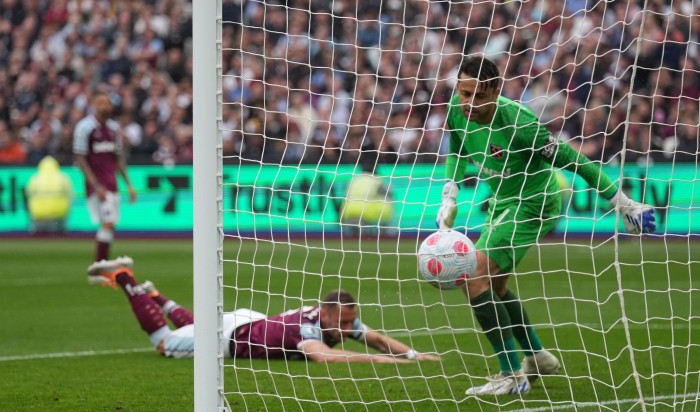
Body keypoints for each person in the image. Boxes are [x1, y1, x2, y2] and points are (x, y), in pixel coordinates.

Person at [435, 56, 656, 396]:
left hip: (535, 203)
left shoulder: (520, 123)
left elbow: (575, 161)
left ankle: (511, 374)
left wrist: (623, 203)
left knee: (473, 275)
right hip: (502, 203)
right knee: (491, 286)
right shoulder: (457, 108)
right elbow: (457, 148)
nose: (469, 103)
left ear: (495, 90)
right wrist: (450, 192)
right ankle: (536, 356)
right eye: (464, 94)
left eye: (478, 96)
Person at [87, 257, 440, 363]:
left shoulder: (332, 318)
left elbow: (375, 337)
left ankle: (157, 295)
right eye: (345, 323)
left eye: (351, 322)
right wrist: (382, 361)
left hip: (250, 321)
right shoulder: (308, 330)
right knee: (164, 342)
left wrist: (412, 354)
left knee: (195, 323)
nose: (350, 329)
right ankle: (126, 278)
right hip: (231, 336)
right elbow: (323, 357)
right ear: (328, 312)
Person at [73, 93, 137, 261]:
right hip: (97, 185)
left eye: (108, 103)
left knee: (111, 224)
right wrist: (95, 185)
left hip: (112, 183)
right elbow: (80, 158)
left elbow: (119, 158)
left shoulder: (114, 128)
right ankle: (100, 264)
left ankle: (102, 263)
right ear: (94, 104)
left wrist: (129, 185)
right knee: (108, 222)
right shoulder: (84, 127)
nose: (105, 106)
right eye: (101, 103)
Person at [26, 155, 73, 234]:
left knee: (37, 240)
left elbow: (28, 196)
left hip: (39, 216)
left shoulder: (35, 178)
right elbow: (70, 197)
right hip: (58, 216)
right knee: (60, 239)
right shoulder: (63, 177)